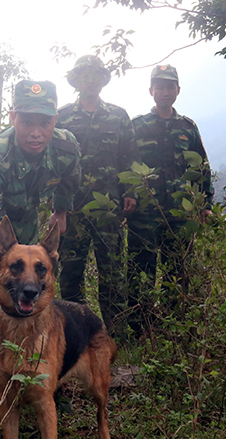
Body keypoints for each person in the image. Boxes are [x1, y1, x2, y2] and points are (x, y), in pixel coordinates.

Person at [0, 80, 81, 395]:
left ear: (56, 120)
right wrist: (7, 257)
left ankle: (38, 373)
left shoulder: (66, 145)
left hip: (23, 223)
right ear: (14, 117)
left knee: (33, 295)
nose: (36, 131)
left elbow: (71, 176)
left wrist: (61, 210)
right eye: (27, 121)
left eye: (45, 122)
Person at [56, 55, 142, 333]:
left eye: (95, 75)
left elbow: (130, 156)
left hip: (109, 208)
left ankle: (115, 335)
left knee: (112, 272)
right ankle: (74, 333)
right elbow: (54, 160)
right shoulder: (63, 116)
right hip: (72, 208)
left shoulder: (118, 116)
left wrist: (130, 192)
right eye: (85, 75)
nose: (90, 80)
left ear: (103, 80)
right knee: (70, 272)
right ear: (77, 81)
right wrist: (56, 204)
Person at [127, 64, 214, 334]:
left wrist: (205, 204)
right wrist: (128, 197)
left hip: (180, 214)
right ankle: (139, 328)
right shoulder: (137, 126)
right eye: (160, 87)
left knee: (178, 268)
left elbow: (202, 167)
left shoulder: (187, 127)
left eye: (170, 87)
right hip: (144, 212)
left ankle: (174, 325)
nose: (165, 92)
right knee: (141, 269)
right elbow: (126, 163)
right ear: (151, 90)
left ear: (177, 90)